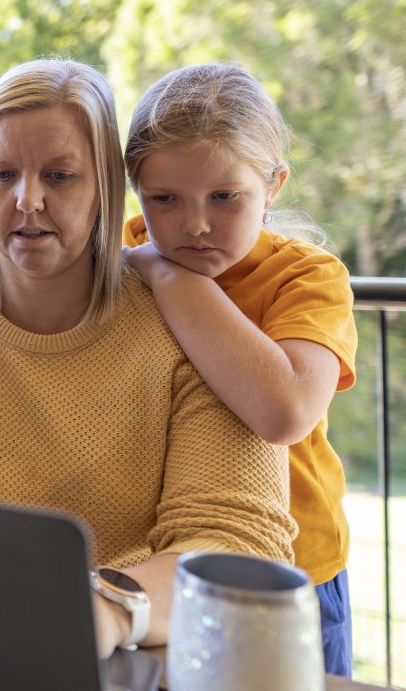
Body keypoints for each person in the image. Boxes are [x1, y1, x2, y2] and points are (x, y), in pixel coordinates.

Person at [0, 58, 296, 658]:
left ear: (106, 187)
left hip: (139, 658)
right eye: (2, 174)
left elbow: (233, 543)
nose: (26, 200)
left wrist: (101, 610)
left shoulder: (193, 327)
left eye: (59, 176)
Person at [120, 62, 358, 676]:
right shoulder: (125, 255)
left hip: (294, 572)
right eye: (164, 199)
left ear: (274, 183)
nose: (194, 224)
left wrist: (171, 276)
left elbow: (285, 410)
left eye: (225, 197)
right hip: (167, 563)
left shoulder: (307, 277)